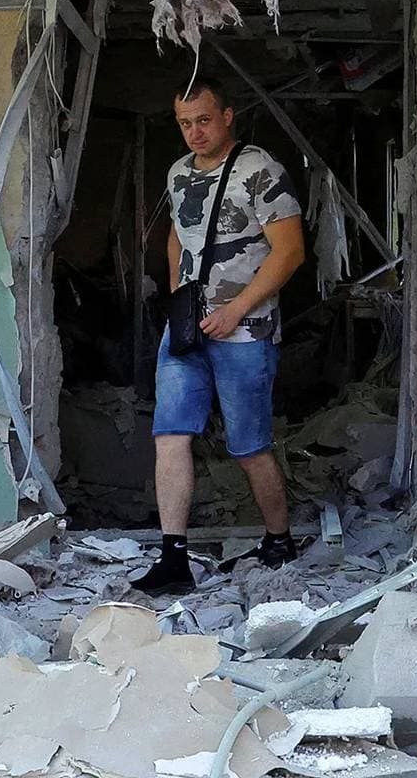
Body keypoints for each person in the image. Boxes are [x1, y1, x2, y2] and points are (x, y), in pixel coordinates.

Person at [133, 77, 306, 595]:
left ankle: (278, 540)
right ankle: (173, 558)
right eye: (185, 123)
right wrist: (177, 295)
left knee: (248, 445)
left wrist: (237, 309)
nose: (195, 132)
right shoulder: (179, 173)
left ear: (228, 116)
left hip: (246, 330)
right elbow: (176, 236)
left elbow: (290, 251)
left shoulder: (260, 170)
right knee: (170, 434)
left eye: (204, 120)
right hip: (187, 329)